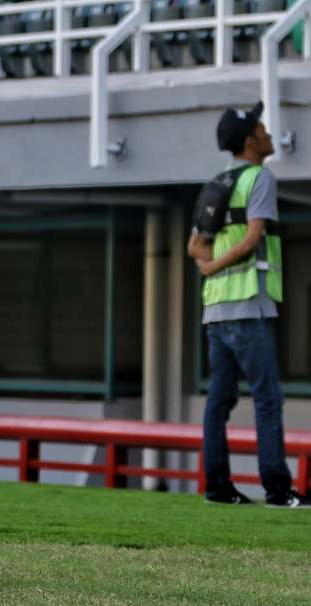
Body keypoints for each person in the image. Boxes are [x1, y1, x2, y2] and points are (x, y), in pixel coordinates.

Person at [187, 101, 310, 508]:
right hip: (248, 305)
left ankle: (217, 487)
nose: (268, 132)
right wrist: (217, 266)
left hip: (216, 311)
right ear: (250, 139)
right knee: (268, 399)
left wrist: (209, 268)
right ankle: (278, 490)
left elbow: (193, 246)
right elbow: (251, 240)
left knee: (219, 402)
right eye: (261, 126)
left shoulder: (216, 181)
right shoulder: (260, 177)